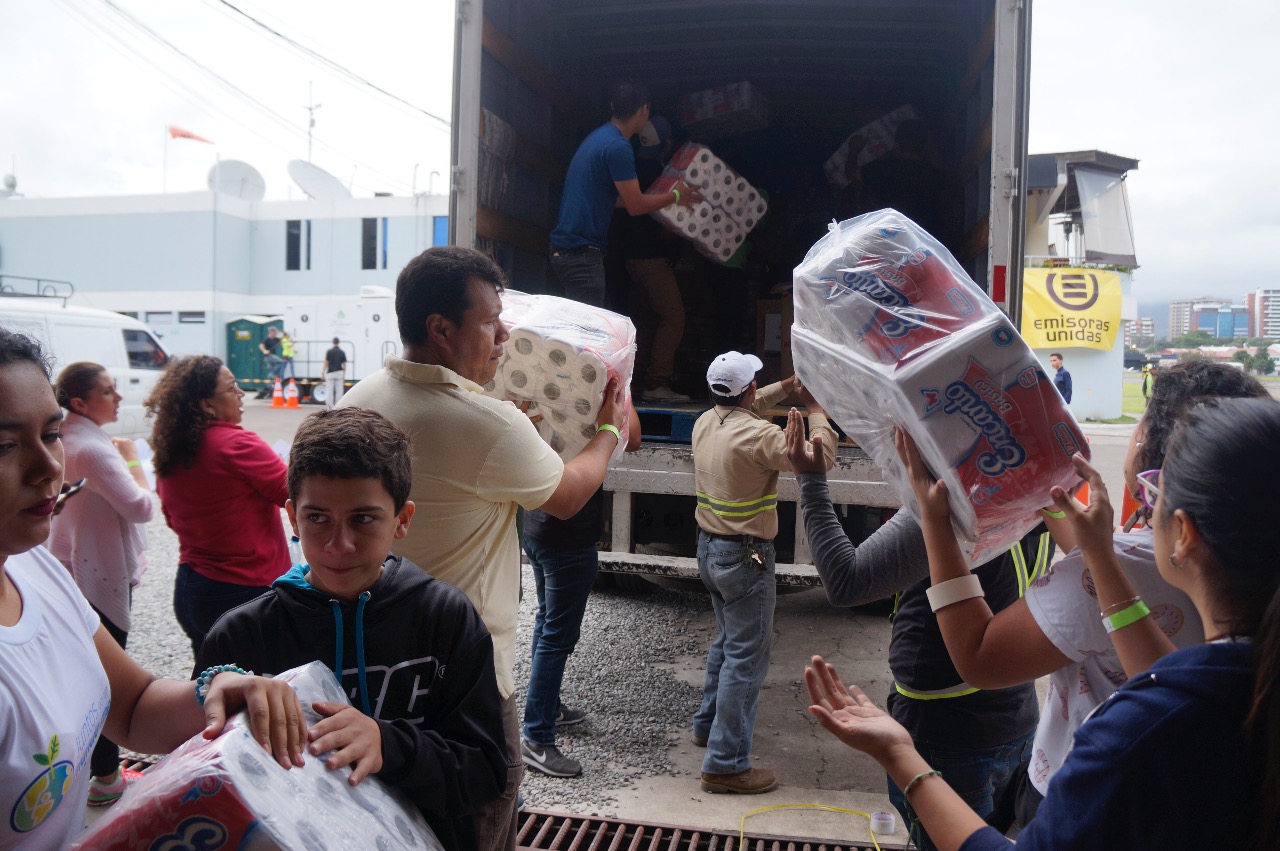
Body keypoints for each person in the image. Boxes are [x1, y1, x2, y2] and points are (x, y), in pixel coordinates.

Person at [805, 394, 1280, 850]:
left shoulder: (1134, 729)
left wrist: (899, 755)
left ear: (1185, 534)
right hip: (1015, 725)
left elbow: (966, 649)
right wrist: (1096, 550)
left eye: (1151, 491)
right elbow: (1162, 674)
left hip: (949, 728)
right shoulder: (1226, 686)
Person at [338, 245, 625, 851]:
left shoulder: (359, 398)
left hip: (370, 667)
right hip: (464, 678)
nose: (505, 335)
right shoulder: (487, 423)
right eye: (492, 320)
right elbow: (569, 494)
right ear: (441, 329)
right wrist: (609, 429)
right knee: (481, 819)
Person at [0, 328, 306, 851]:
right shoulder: (236, 444)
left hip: (195, 581)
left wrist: (218, 689)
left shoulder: (34, 569)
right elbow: (286, 491)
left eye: (51, 433)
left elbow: (134, 705)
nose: (48, 465)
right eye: (4, 444)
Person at [197, 408, 507, 850]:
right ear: (291, 517)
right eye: (317, 517)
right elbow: (212, 777)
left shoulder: (445, 618)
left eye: (363, 518)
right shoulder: (241, 637)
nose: (338, 544)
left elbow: (484, 773)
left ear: (402, 519)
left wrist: (388, 744)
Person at [785, 411, 1051, 849]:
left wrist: (811, 481)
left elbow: (846, 581)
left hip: (947, 738)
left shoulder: (952, 508)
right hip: (1017, 721)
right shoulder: (1040, 493)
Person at [691, 352, 835, 794]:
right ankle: (726, 763)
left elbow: (746, 405)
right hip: (746, 557)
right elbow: (820, 457)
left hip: (710, 552)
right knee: (746, 657)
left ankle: (708, 726)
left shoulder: (706, 422)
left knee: (729, 642)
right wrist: (816, 410)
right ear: (748, 390)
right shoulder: (759, 436)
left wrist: (790, 385)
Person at [47, 361, 156, 806]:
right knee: (107, 680)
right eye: (108, 391)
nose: (118, 398)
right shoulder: (94, 448)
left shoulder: (68, 438)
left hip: (72, 568)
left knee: (81, 671)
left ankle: (94, 772)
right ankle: (107, 778)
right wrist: (132, 457)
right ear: (79, 403)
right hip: (99, 579)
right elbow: (141, 507)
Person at [521, 405, 642, 778]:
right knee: (557, 635)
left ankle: (549, 708)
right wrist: (623, 392)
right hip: (568, 538)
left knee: (547, 623)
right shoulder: (599, 395)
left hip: (538, 523)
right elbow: (633, 438)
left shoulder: (542, 388)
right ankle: (536, 738)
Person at [146, 355, 290, 656]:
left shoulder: (173, 448)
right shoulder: (238, 444)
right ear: (206, 404)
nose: (240, 394)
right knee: (250, 689)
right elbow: (295, 494)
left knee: (210, 685)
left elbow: (172, 518)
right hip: (243, 590)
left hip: (192, 587)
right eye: (232, 387)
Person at [549, 80, 697, 307]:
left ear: (612, 106)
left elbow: (617, 201)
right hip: (580, 253)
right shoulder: (618, 147)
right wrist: (676, 196)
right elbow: (635, 205)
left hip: (570, 250)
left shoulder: (599, 138)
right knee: (586, 332)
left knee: (597, 325)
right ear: (644, 109)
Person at [612, 115, 689, 403]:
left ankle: (635, 380)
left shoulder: (630, 170)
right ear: (666, 143)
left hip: (630, 259)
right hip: (650, 258)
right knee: (673, 315)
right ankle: (656, 382)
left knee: (643, 319)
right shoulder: (661, 175)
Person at [324, 337, 348, 409]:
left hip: (330, 372)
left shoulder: (329, 351)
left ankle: (329, 408)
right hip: (339, 372)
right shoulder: (342, 352)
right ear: (338, 342)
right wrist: (344, 374)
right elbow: (344, 364)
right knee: (339, 391)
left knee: (329, 391)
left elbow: (326, 362)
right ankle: (338, 408)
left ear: (333, 342)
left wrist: (322, 372)